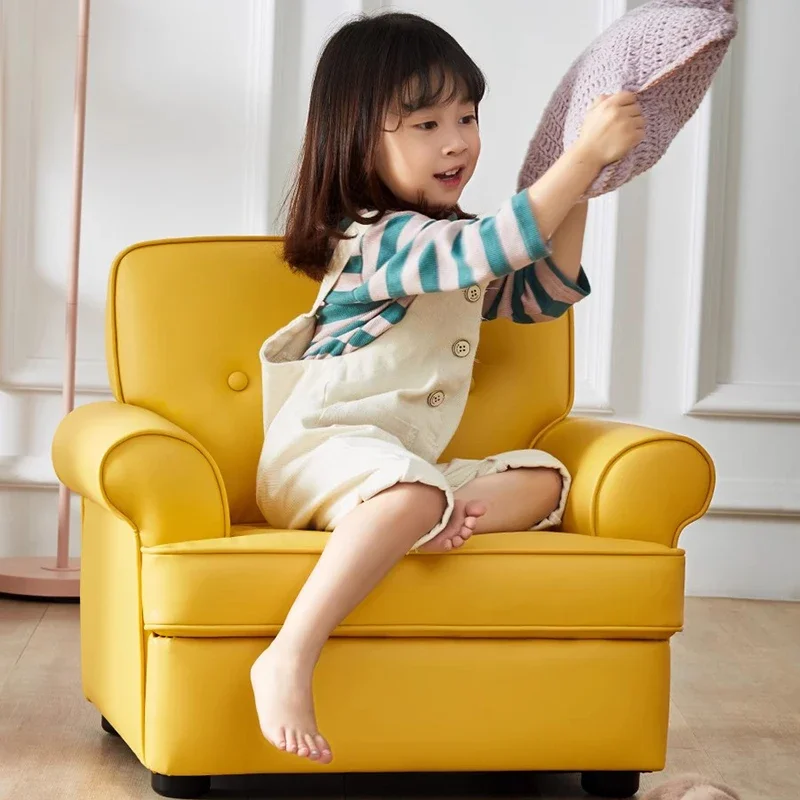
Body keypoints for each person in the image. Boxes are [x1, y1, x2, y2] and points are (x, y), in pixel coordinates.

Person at [251, 11, 644, 765]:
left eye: (466, 116)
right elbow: (496, 244)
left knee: (541, 480)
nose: (457, 140)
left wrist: (584, 181)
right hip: (318, 455)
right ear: (359, 137)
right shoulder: (381, 239)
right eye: (426, 123)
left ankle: (422, 517)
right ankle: (289, 655)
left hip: (399, 465)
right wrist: (580, 154)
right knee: (411, 492)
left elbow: (543, 295)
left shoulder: (449, 246)